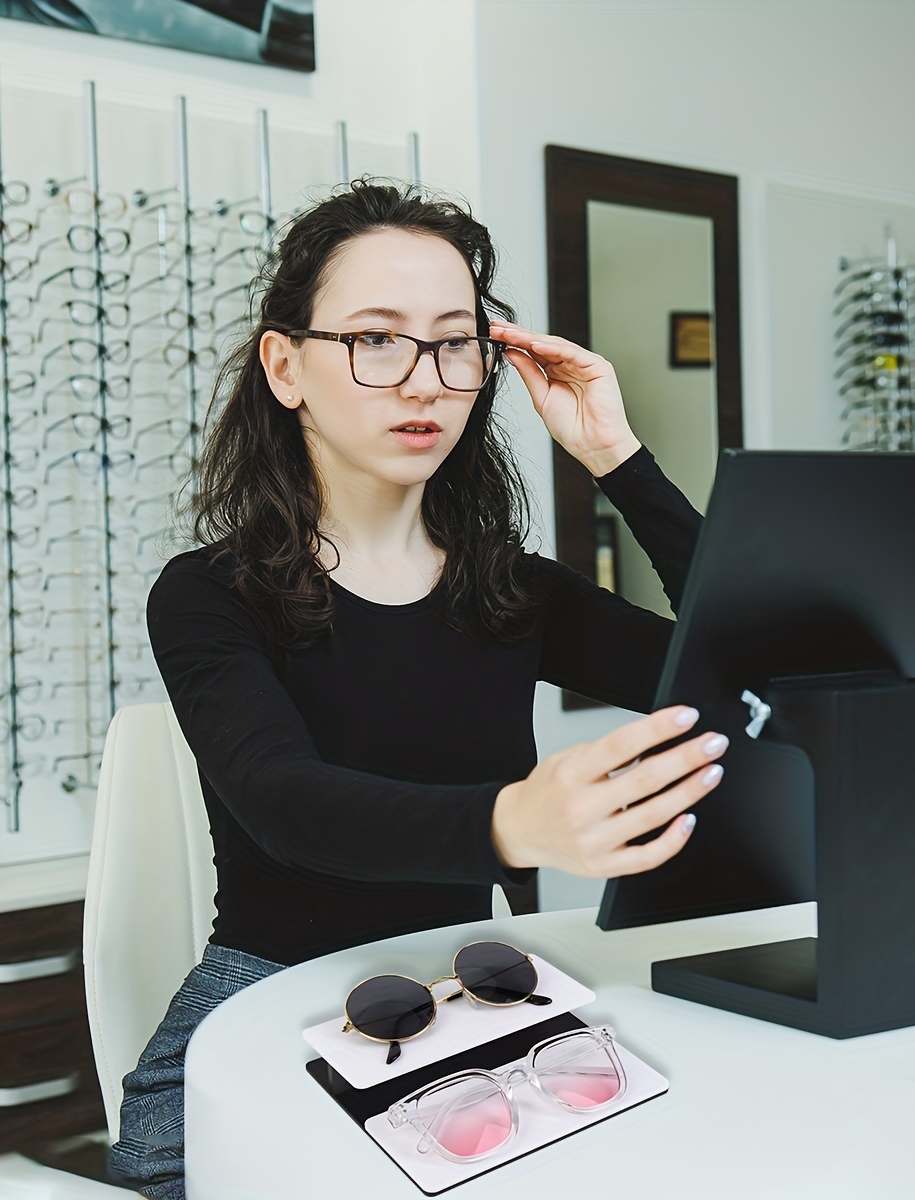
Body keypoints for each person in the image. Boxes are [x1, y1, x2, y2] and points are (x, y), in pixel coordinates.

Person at [108, 178, 727, 1197]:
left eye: (455, 342)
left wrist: (618, 459)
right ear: (286, 366)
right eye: (377, 340)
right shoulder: (208, 595)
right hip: (261, 1019)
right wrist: (512, 825)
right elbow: (286, 804)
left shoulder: (513, 588)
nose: (425, 380)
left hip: (469, 999)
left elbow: (735, 676)